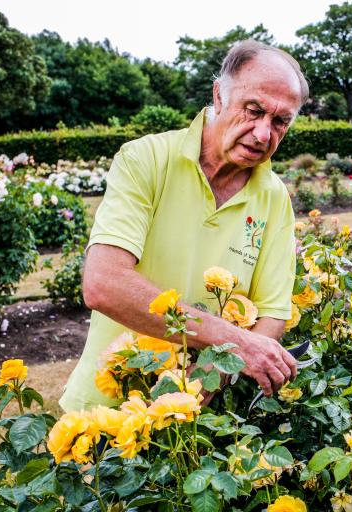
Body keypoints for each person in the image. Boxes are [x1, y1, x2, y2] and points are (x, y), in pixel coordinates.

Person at [59, 40, 310, 412]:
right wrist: (233, 342)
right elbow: (104, 283)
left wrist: (210, 373)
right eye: (254, 110)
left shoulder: (273, 197)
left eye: (279, 121)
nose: (263, 134)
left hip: (203, 427)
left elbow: (272, 312)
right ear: (219, 96)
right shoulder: (145, 159)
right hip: (105, 414)